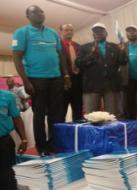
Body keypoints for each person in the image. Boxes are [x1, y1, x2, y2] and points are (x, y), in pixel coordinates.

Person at [12, 5, 71, 156]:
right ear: (27, 16)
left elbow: (61, 55)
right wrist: (26, 81)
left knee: (56, 114)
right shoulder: (21, 32)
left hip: (56, 78)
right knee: (39, 114)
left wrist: (66, 76)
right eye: (35, 12)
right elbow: (17, 57)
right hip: (36, 79)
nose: (39, 14)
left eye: (41, 11)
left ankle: (53, 144)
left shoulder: (52, 32)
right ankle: (42, 146)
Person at [75, 23, 126, 117]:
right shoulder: (84, 47)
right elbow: (78, 63)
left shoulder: (115, 47)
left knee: (112, 115)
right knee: (91, 115)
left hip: (111, 85)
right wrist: (92, 55)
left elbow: (123, 62)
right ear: (93, 34)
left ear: (106, 33)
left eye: (101, 31)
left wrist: (123, 52)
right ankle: (92, 132)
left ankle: (111, 132)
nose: (98, 33)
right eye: (96, 32)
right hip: (92, 85)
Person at [0, 90, 28, 190]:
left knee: (7, 176)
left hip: (3, 142)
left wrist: (24, 140)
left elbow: (16, 118)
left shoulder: (8, 96)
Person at [60, 24, 83, 121]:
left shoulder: (78, 46)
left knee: (78, 109)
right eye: (66, 30)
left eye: (71, 30)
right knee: (61, 110)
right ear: (61, 32)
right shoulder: (57, 45)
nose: (69, 32)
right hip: (63, 81)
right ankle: (59, 133)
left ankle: (77, 132)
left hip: (78, 80)